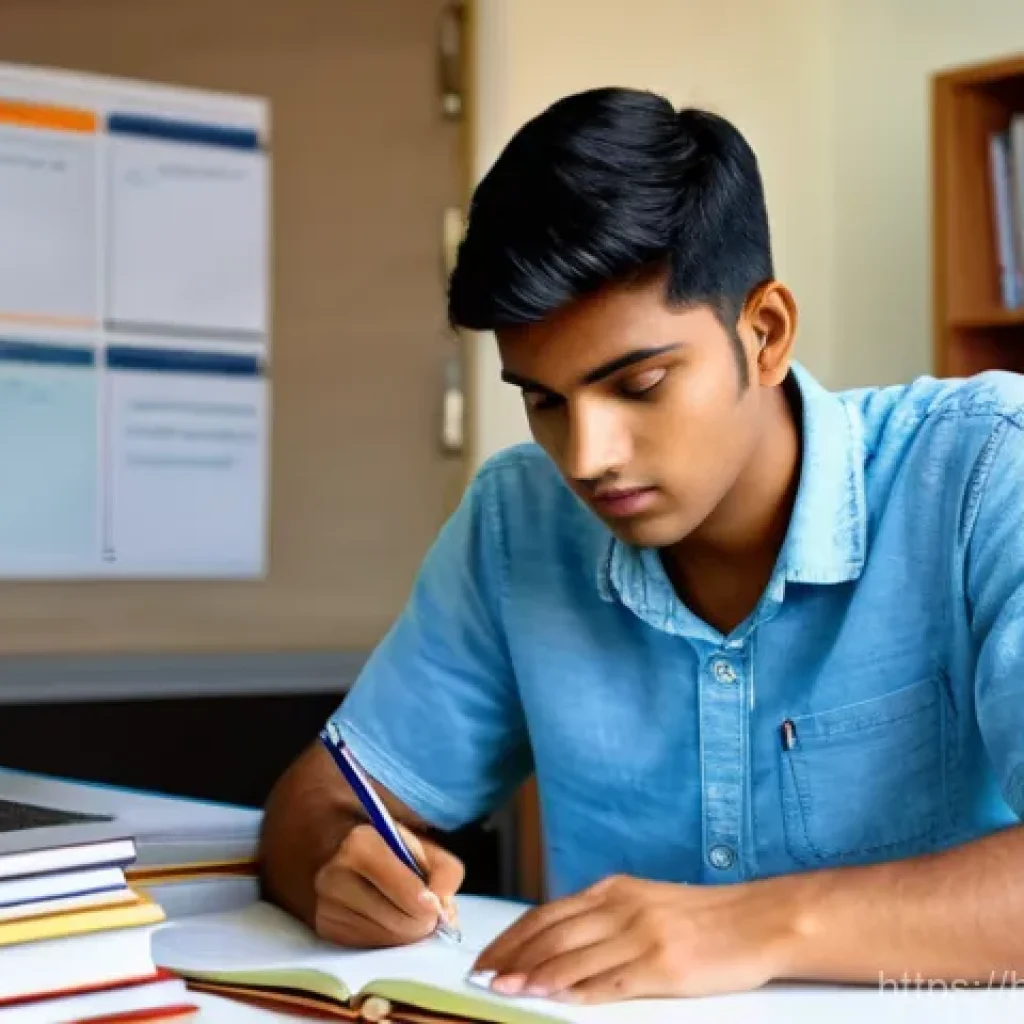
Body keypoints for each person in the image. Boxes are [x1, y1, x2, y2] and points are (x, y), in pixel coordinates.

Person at [260, 86, 1024, 1004]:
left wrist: (759, 922)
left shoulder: (985, 468)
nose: (587, 458)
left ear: (766, 332)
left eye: (641, 383)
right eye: (544, 399)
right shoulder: (518, 520)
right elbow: (319, 801)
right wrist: (339, 873)